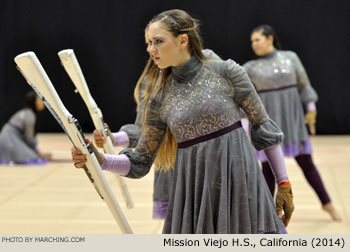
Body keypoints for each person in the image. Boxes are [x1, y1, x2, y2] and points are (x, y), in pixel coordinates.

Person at [72, 9, 294, 234]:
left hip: (240, 181)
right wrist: (100, 159)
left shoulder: (226, 71)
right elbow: (140, 160)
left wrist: (284, 183)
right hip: (193, 192)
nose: (151, 49)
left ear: (183, 40)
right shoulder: (158, 97)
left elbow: (262, 127)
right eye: (149, 43)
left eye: (158, 41)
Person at [243, 24, 341, 221]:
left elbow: (305, 85)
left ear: (270, 38)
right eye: (252, 41)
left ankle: (328, 204)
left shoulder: (290, 57)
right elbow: (239, 93)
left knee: (307, 164)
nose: (254, 44)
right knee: (268, 171)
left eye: (257, 39)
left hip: (293, 121)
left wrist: (311, 109)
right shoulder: (250, 68)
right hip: (268, 123)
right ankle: (264, 215)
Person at [0, 91, 51, 165]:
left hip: (7, 136)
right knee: (31, 158)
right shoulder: (30, 115)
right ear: (34, 102)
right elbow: (29, 139)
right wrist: (38, 152)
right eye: (40, 99)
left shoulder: (27, 112)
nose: (43, 102)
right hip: (10, 139)